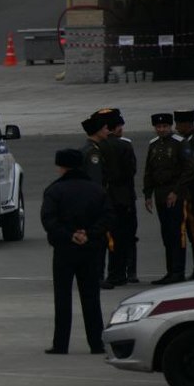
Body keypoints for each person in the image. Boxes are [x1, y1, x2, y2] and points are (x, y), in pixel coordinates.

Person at [41, 149, 111, 355]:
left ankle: (61, 344)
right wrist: (89, 234)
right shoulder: (96, 190)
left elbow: (49, 220)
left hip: (64, 250)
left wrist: (69, 235)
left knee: (62, 297)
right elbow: (107, 217)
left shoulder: (55, 191)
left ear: (61, 167)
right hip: (91, 250)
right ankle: (96, 343)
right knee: (91, 297)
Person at [143, 112, 194, 285]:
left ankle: (178, 271)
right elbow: (149, 171)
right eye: (158, 127)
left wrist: (176, 191)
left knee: (176, 233)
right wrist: (147, 194)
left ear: (170, 126)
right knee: (166, 234)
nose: (161, 129)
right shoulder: (154, 145)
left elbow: (189, 170)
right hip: (160, 193)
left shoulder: (180, 143)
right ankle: (170, 270)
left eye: (164, 126)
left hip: (176, 193)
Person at [98, 109, 139, 284]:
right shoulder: (124, 145)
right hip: (126, 197)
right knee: (128, 235)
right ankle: (129, 272)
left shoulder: (98, 146)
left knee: (111, 237)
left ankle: (115, 273)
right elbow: (131, 171)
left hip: (109, 196)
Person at [80, 114, 114, 286]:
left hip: (87, 202)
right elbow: (96, 182)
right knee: (98, 240)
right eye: (105, 128)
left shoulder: (89, 148)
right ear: (97, 131)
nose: (108, 131)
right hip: (94, 204)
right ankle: (97, 276)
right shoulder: (93, 152)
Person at [173, 109, 194, 278]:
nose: (176, 128)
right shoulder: (192, 139)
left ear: (186, 124)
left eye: (178, 124)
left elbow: (191, 170)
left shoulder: (193, 142)